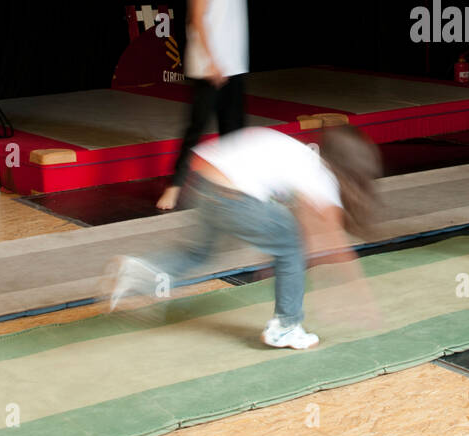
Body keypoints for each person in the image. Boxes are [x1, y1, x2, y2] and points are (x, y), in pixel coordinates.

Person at [110, 125, 382, 349]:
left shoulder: (301, 154)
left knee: (199, 252)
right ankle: (286, 327)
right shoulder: (323, 178)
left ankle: (142, 272)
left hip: (206, 183)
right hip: (235, 195)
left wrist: (275, 259)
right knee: (292, 247)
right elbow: (333, 245)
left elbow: (295, 223)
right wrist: (362, 298)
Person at [157, 0, 249, 211]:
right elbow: (195, 17)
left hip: (235, 65)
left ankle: (234, 188)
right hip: (209, 66)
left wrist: (233, 61)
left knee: (233, 133)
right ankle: (174, 187)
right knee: (196, 129)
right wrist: (211, 61)